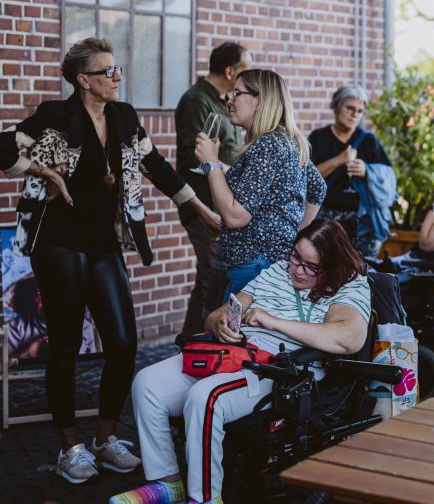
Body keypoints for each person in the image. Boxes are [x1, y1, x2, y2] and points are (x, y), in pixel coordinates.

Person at [0, 37, 219, 484]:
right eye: (109, 71)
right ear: (83, 80)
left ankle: (105, 438)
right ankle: (69, 446)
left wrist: (202, 209)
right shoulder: (54, 115)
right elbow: (3, 148)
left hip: (104, 245)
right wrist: (43, 171)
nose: (118, 76)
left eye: (117, 68)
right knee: (65, 345)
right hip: (58, 244)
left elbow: (158, 167)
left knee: (123, 342)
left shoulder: (124, 117)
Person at [111, 219, 371, 504]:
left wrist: (274, 322)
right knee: (147, 383)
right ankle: (168, 482)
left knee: (206, 397)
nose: (297, 269)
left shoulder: (349, 286)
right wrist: (220, 324)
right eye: (295, 256)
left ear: (331, 266)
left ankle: (206, 498)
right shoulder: (276, 272)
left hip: (283, 369)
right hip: (234, 353)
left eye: (311, 266)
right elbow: (217, 314)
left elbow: (348, 338)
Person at [195, 69, 327, 299]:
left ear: (261, 100)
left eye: (237, 93)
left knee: (234, 323)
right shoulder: (285, 140)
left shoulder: (267, 145)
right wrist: (291, 235)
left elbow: (236, 217)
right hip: (268, 263)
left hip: (255, 267)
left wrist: (211, 163)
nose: (229, 100)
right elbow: (318, 188)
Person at [175, 41, 253, 337]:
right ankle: (193, 342)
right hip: (204, 205)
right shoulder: (196, 100)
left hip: (224, 204)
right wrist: (226, 170)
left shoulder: (224, 101)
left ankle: (197, 339)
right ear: (231, 72)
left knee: (215, 277)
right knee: (210, 275)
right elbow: (192, 156)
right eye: (246, 69)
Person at [308, 84, 396, 258]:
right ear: (336, 106)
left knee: (361, 267)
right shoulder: (319, 138)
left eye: (360, 111)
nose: (355, 115)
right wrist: (339, 160)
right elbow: (307, 178)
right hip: (325, 218)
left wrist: (367, 171)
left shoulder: (368, 141)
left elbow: (387, 176)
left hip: (362, 223)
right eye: (350, 108)